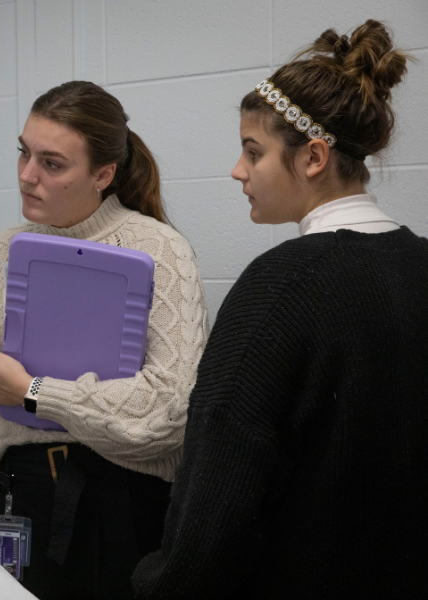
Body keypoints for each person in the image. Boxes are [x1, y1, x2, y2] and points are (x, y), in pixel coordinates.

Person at [132, 20, 428, 598]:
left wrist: (158, 584)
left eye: (253, 151)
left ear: (314, 157)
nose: (238, 171)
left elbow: (216, 498)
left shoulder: (280, 288)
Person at [0, 81, 209, 599]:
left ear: (104, 174)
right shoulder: (1, 252)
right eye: (23, 153)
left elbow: (171, 414)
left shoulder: (160, 250)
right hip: (16, 495)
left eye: (51, 163)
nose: (26, 175)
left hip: (118, 501)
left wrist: (35, 391)